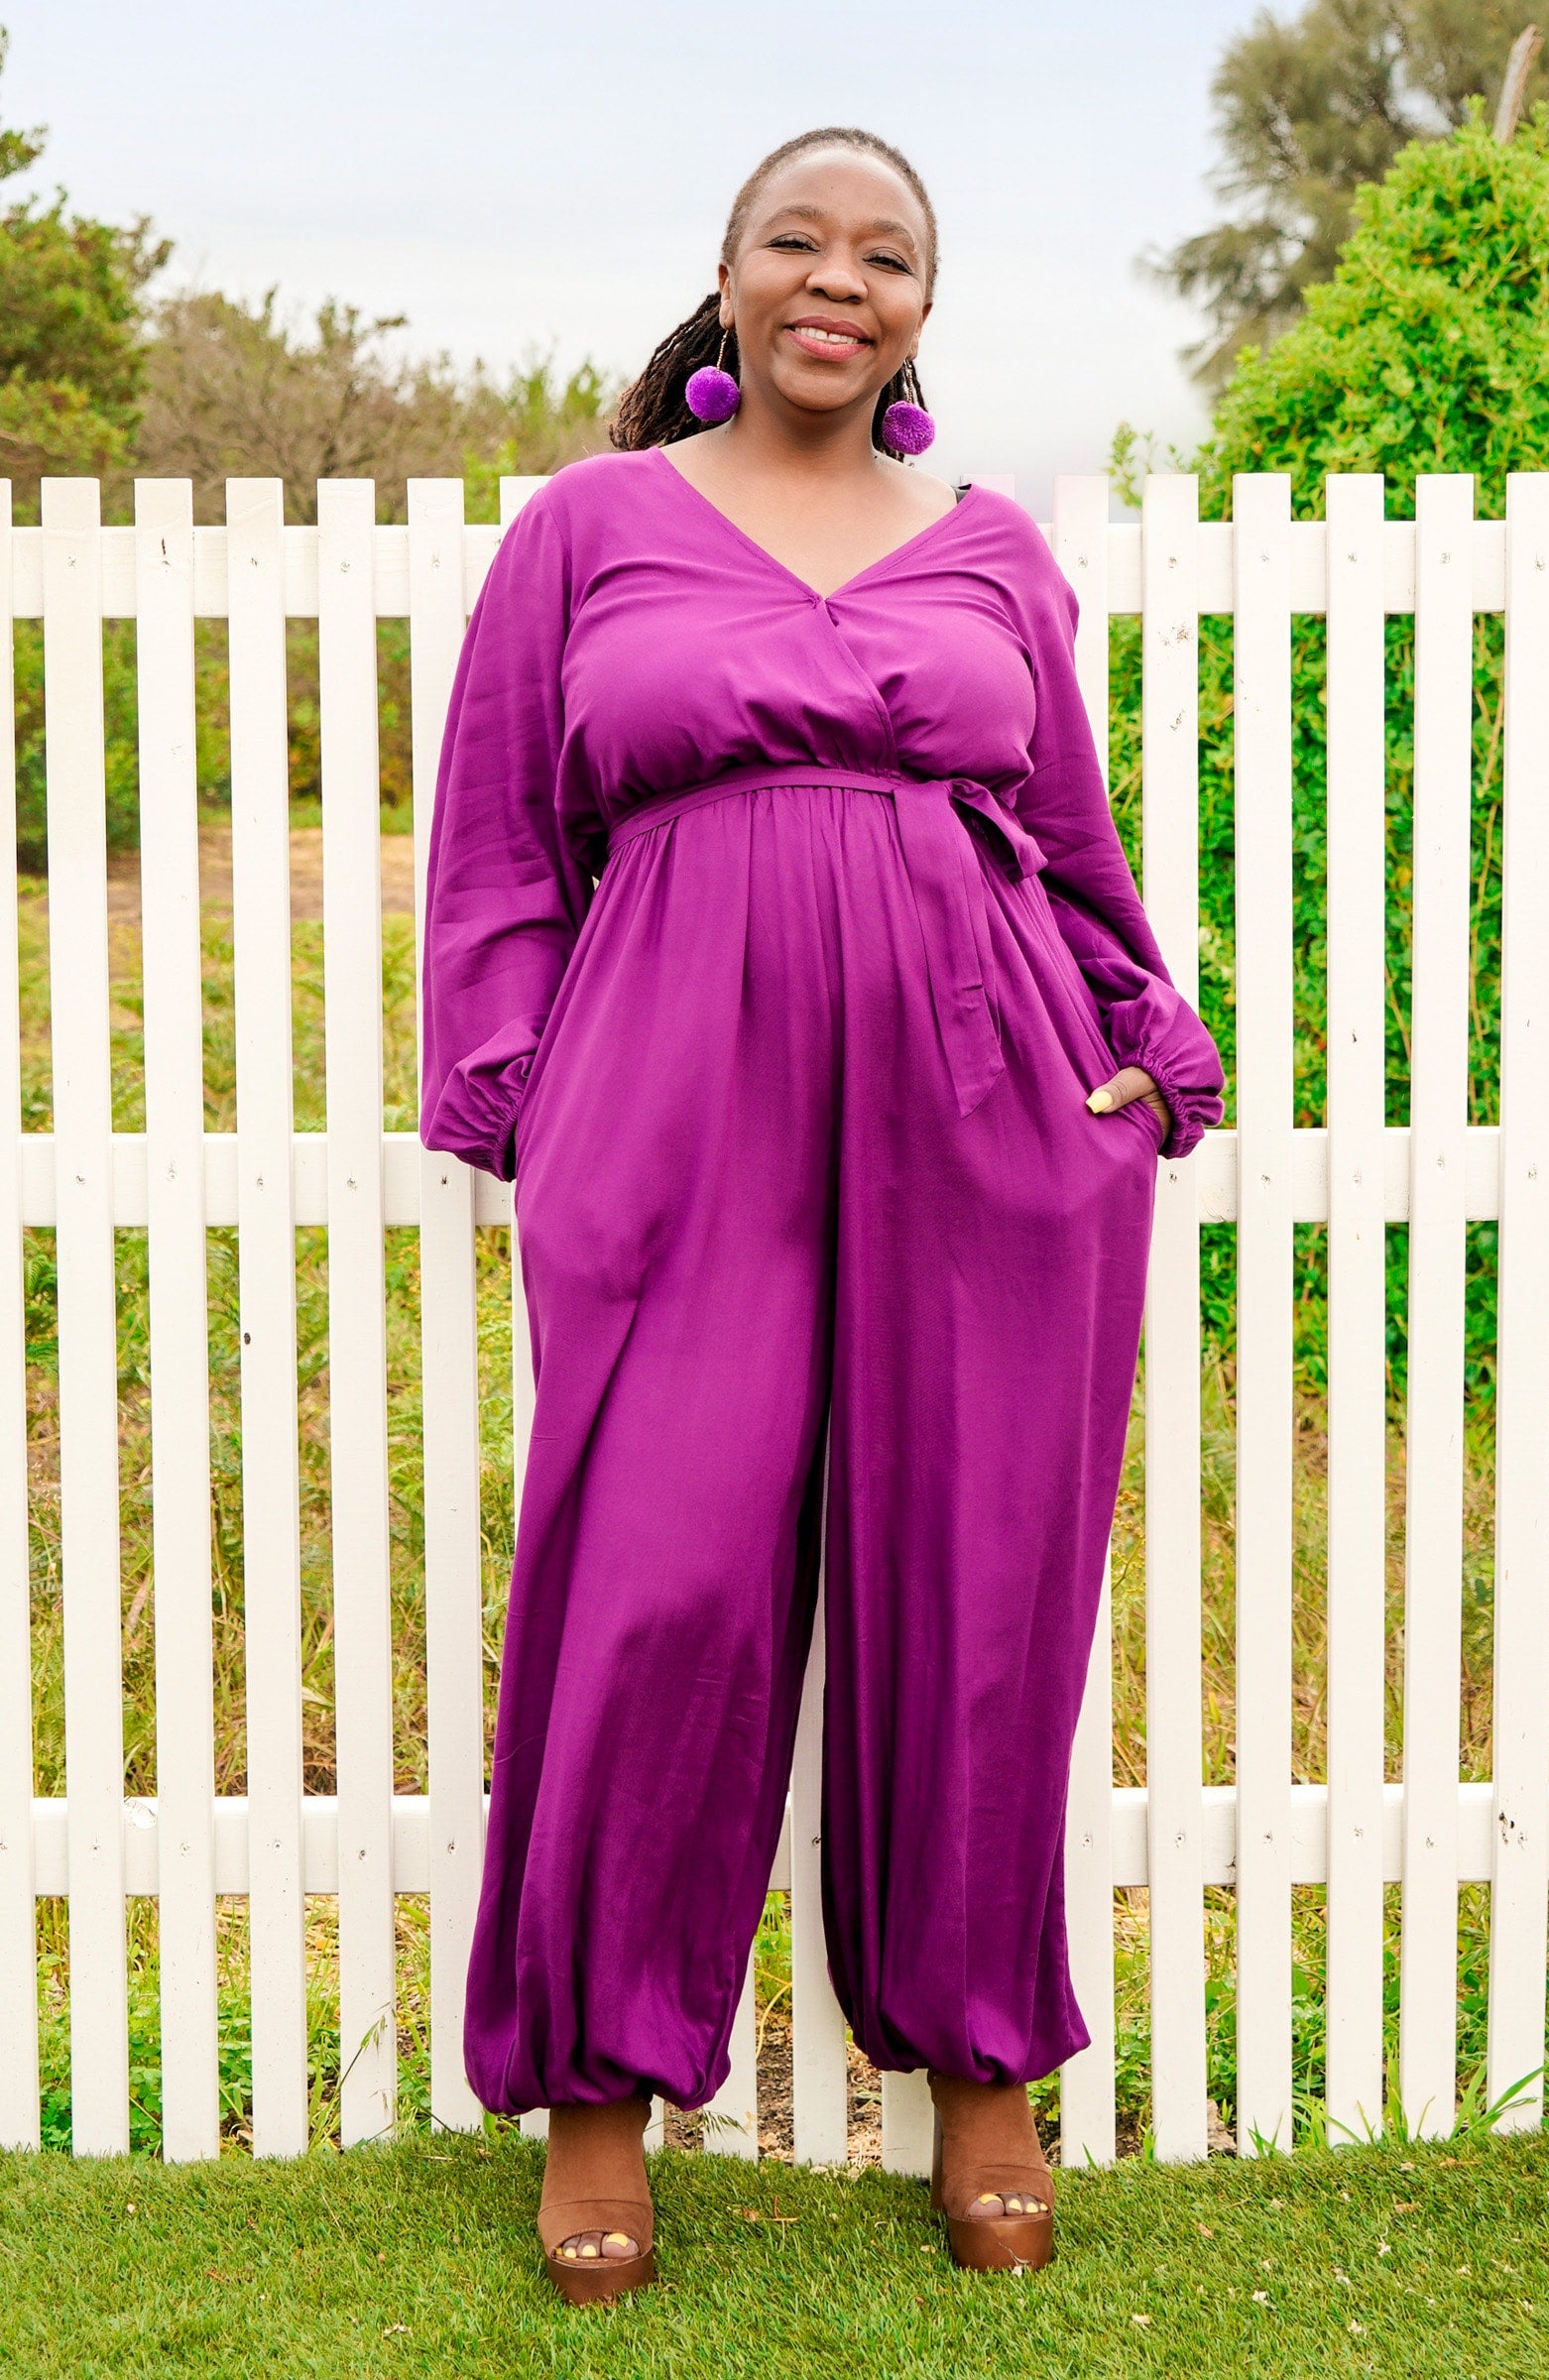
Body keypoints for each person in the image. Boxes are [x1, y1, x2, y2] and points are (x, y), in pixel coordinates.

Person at [418, 123, 1225, 2303]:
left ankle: (982, 2067)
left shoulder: (989, 552)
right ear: (731, 274)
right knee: (655, 1576)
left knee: (978, 1575)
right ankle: (599, 2098)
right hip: (676, 1097)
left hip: (979, 1095)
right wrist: (529, 1085)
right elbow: (498, 846)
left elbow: (1062, 832)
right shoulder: (590, 527)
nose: (838, 281)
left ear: (921, 311)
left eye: (885, 256)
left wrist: (1132, 1033)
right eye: (801, 241)